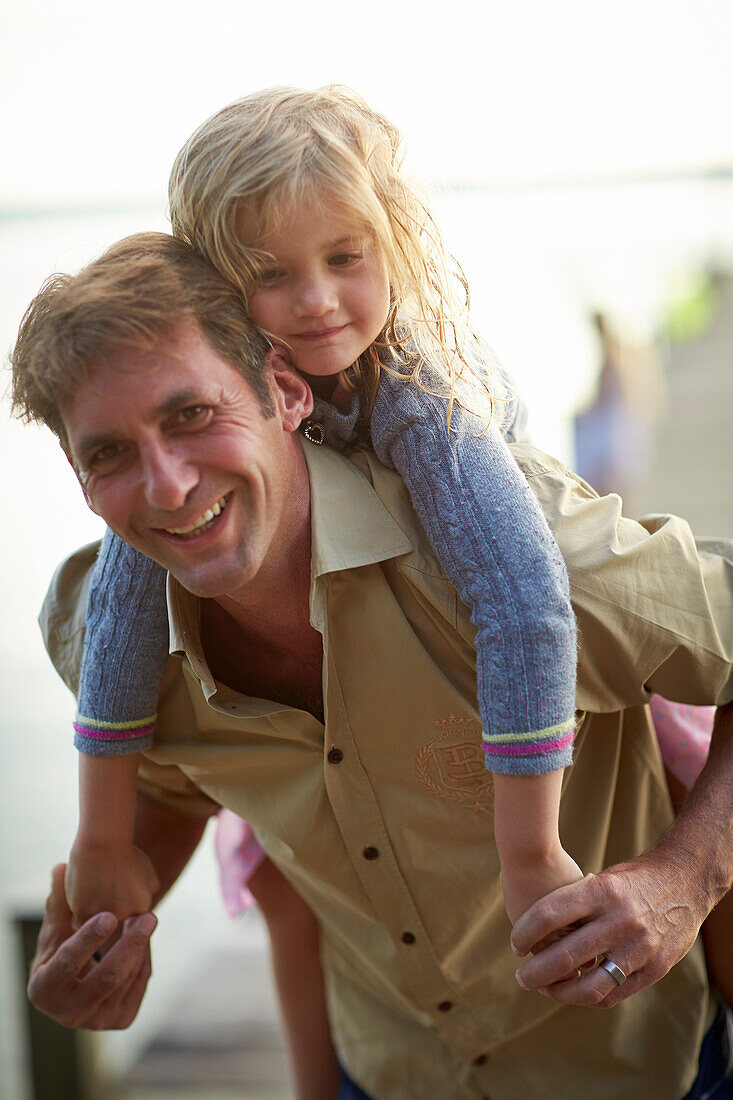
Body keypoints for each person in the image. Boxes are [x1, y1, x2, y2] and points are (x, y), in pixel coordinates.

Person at [11, 232, 733, 1099]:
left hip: (637, 1070)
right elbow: (178, 780)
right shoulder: (97, 642)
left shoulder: (527, 566)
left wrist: (685, 877)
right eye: (109, 454)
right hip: (384, 1072)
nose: (166, 486)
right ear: (78, 478)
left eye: (191, 415)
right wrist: (110, 929)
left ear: (283, 391)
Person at [64, 86, 582, 937]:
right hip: (328, 720)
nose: (315, 301)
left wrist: (529, 854)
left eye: (345, 257)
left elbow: (523, 605)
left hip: (467, 688)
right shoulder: (214, 415)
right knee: (287, 891)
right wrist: (98, 844)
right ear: (216, 288)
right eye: (269, 274)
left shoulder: (421, 406)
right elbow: (118, 621)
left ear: (392, 241)